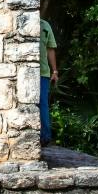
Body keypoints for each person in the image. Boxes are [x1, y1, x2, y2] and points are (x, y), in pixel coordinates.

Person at [39, 13, 58, 146]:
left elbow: (50, 49)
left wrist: (55, 70)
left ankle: (45, 137)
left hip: (43, 73)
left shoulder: (45, 26)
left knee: (43, 104)